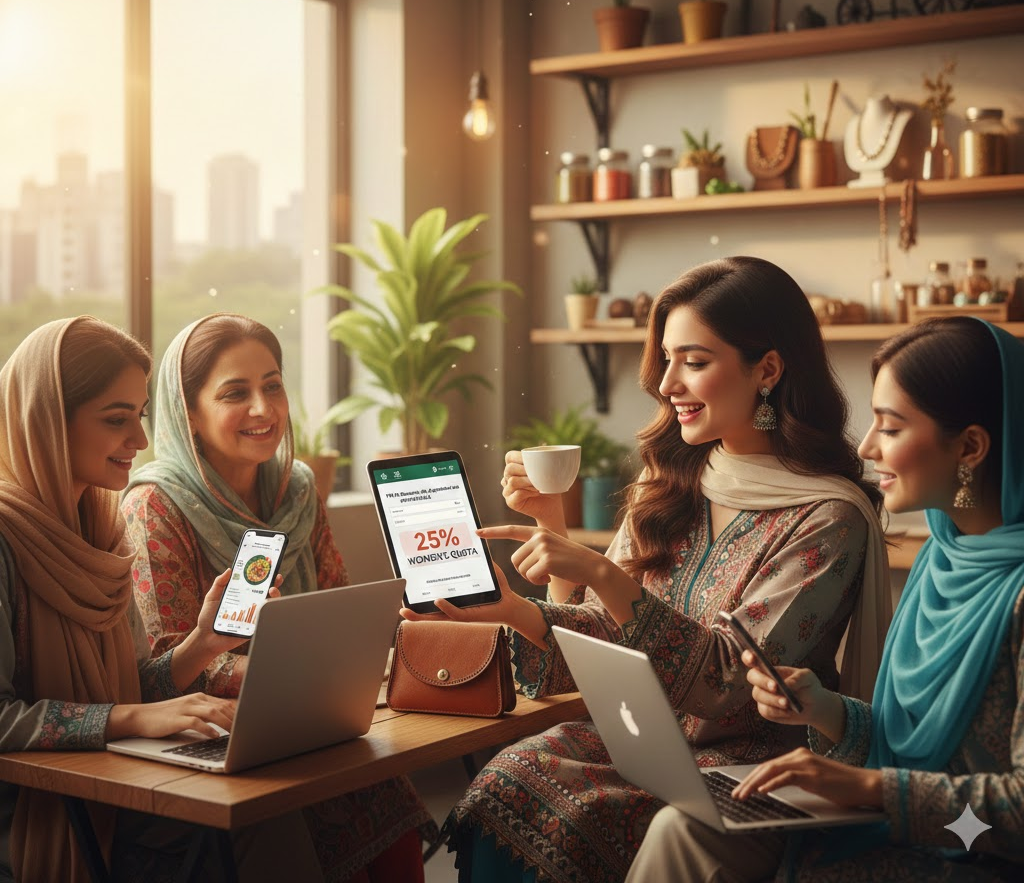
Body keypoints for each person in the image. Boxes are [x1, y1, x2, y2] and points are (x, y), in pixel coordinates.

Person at [404, 256, 892, 883]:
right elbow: (593, 651)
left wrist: (604, 576)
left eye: (693, 361)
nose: (666, 383)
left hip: (743, 764)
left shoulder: (828, 518)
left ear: (767, 369)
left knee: (577, 819)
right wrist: (517, 605)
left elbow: (727, 685)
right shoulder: (671, 481)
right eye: (665, 359)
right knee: (509, 780)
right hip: (635, 741)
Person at [629, 315, 1023, 882]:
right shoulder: (942, 560)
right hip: (894, 821)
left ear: (970, 446)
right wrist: (824, 709)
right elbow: (902, 741)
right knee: (684, 826)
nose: (865, 447)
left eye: (889, 428)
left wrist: (870, 787)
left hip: (971, 849)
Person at [0, 316, 323, 883]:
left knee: (277, 803)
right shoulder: (7, 539)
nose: (142, 441)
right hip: (38, 815)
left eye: (140, 415)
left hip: (115, 782)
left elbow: (131, 693)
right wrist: (128, 719)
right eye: (116, 420)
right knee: (263, 820)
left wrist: (200, 644)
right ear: (47, 421)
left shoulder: (96, 531)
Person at [122, 314, 436, 882]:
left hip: (316, 721)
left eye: (272, 385)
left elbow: (340, 607)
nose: (264, 409)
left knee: (388, 793)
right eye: (235, 393)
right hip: (209, 739)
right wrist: (314, 678)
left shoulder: (296, 489)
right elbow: (168, 665)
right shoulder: (154, 507)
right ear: (187, 411)